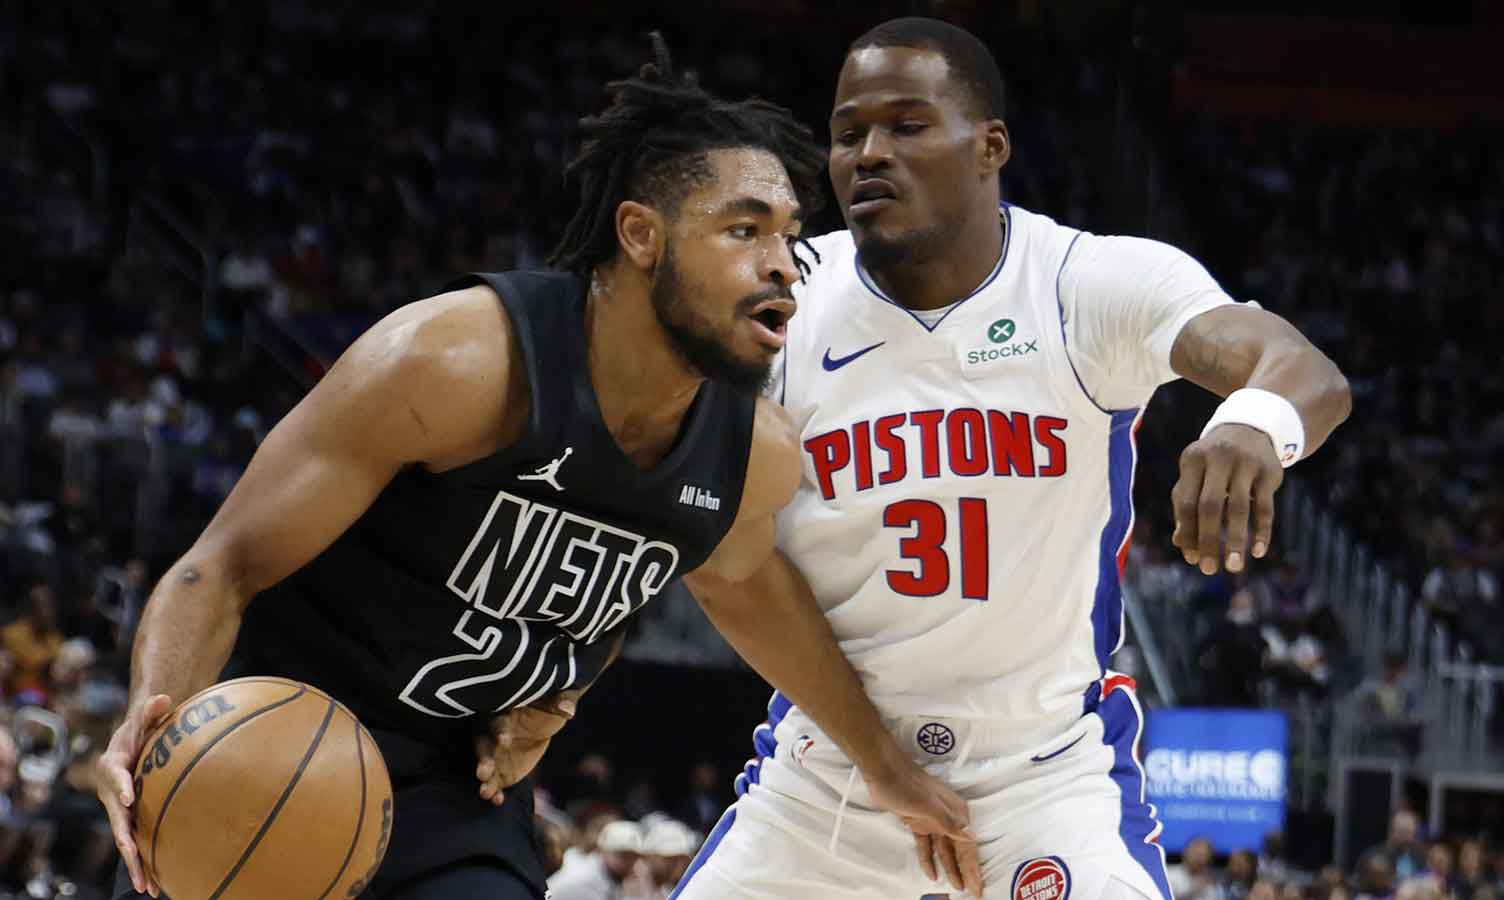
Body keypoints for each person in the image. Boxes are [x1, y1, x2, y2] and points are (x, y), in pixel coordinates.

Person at [95, 38, 970, 900]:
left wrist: (884, 768)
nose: (783, 263)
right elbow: (224, 564)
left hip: (454, 790)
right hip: (272, 745)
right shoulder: (452, 364)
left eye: (791, 236)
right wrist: (154, 722)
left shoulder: (753, 456)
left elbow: (733, 584)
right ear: (640, 236)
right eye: (744, 230)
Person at [672, 16, 1350, 900]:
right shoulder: (780, 304)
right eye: (848, 134)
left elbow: (1303, 369)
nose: (869, 152)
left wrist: (1252, 423)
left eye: (906, 125)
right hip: (830, 777)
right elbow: (718, 558)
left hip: (1042, 782)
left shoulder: (1085, 284)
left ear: (990, 145)